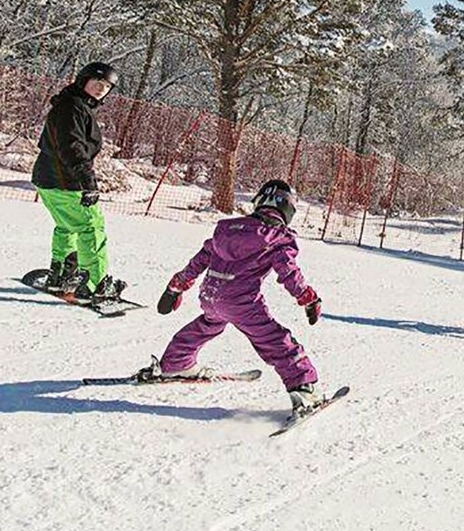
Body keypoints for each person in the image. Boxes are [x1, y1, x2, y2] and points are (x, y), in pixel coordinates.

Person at [151, 179, 327, 415]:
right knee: (274, 340)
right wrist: (308, 297)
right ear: (287, 209)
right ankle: (303, 388)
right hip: (242, 301)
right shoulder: (278, 237)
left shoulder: (227, 229)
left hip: (211, 294)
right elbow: (288, 271)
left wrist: (177, 286)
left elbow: (200, 259)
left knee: (208, 324)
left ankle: (175, 363)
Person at [32, 61, 124, 300]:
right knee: (90, 227)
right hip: (66, 181)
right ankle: (95, 285)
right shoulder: (73, 108)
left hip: (49, 178)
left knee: (67, 226)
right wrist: (88, 181)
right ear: (83, 80)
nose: (100, 89)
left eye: (106, 86)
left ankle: (61, 276)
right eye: (97, 83)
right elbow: (71, 147)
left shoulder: (73, 105)